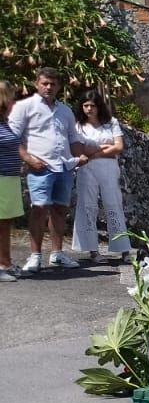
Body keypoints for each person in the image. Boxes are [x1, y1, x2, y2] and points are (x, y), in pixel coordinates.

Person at [10, 68, 88, 273]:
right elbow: (12, 137)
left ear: (59, 87)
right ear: (36, 83)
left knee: (60, 210)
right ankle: (35, 256)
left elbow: (72, 138)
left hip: (64, 165)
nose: (49, 87)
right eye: (45, 83)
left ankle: (57, 254)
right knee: (39, 209)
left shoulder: (66, 110)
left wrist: (80, 157)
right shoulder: (25, 107)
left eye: (53, 84)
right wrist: (28, 159)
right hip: (40, 166)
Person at [69, 89, 130, 263]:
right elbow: (81, 150)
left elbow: (118, 147)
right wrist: (103, 148)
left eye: (93, 105)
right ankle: (92, 250)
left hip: (109, 168)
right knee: (88, 206)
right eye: (86, 105)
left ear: (98, 106)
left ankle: (123, 248)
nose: (89, 109)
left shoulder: (111, 123)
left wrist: (94, 152)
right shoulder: (78, 126)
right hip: (87, 170)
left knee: (113, 204)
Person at [0, 82, 23, 282]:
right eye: (11, 97)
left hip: (8, 178)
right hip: (1, 179)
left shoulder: (4, 121)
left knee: (5, 223)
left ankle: (5, 262)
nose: (14, 101)